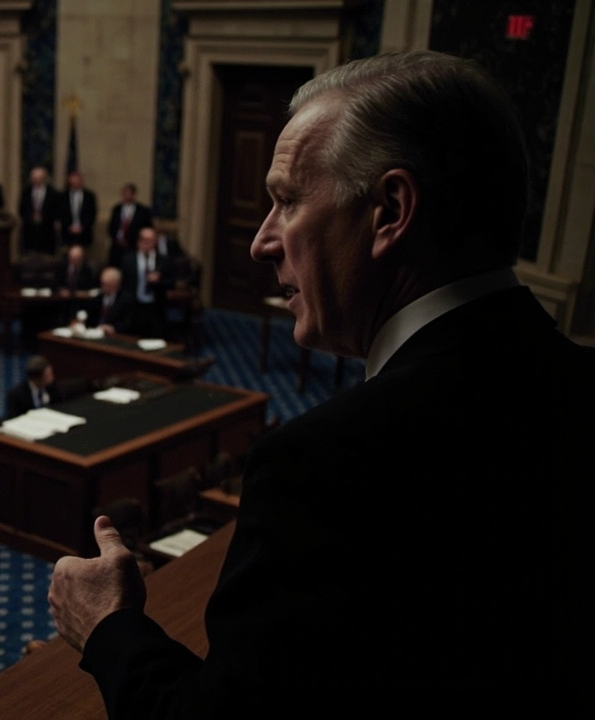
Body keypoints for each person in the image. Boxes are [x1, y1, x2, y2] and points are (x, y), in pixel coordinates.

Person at [48, 51, 595, 717]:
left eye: (286, 200)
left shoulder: (326, 465)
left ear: (389, 210)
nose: (261, 242)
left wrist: (108, 625)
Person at [120, 227, 170, 338]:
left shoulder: (163, 260)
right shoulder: (128, 259)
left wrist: (159, 280)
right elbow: (124, 284)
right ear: (138, 241)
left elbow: (171, 282)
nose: (146, 243)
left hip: (155, 308)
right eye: (143, 240)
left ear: (155, 242)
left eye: (150, 240)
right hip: (134, 307)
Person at [106, 183, 154, 269]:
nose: (127, 196)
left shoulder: (142, 211)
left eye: (129, 193)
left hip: (133, 246)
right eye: (125, 193)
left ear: (134, 194)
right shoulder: (117, 209)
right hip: (117, 246)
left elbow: (147, 228)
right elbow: (111, 226)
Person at [18, 166, 62, 255]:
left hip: (47, 232)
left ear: (44, 178)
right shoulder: (26, 193)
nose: (36, 180)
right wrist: (31, 217)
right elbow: (21, 210)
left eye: (38, 178)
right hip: (30, 231)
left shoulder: (53, 193)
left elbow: (57, 211)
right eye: (34, 178)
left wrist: (44, 217)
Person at [60, 171, 98, 248]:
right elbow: (61, 213)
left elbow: (92, 213)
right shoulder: (63, 196)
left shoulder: (89, 196)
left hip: (84, 233)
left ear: (81, 181)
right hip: (67, 233)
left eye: (77, 181)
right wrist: (70, 226)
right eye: (73, 181)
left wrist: (82, 226)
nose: (75, 183)